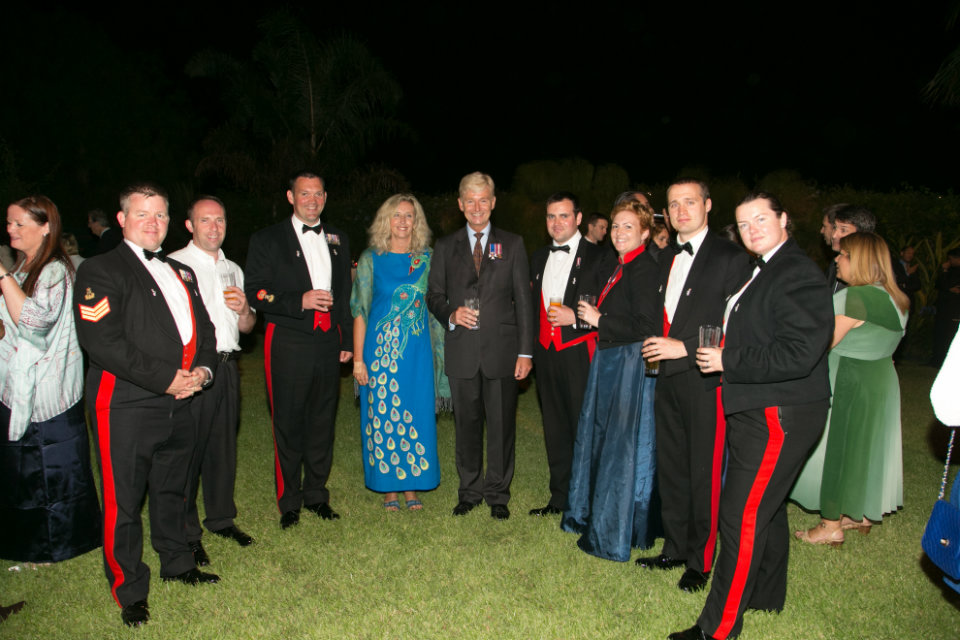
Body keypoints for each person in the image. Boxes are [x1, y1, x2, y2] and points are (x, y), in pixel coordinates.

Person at [672, 192, 833, 640]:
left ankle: (717, 629)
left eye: (761, 219)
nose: (752, 229)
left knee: (740, 515)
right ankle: (763, 592)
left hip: (779, 414)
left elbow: (800, 353)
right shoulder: (762, 271)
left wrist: (729, 360)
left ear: (783, 219)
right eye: (743, 224)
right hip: (756, 408)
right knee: (768, 507)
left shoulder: (796, 272)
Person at [75, 183, 220, 627]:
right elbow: (102, 342)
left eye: (159, 215)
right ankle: (129, 588)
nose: (152, 223)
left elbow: (208, 332)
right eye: (142, 214)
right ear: (122, 219)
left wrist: (204, 372)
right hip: (126, 404)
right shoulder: (100, 270)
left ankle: (177, 563)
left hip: (183, 399)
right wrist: (165, 379)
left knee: (173, 489)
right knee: (124, 500)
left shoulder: (182, 271)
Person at [637, 179, 750, 594]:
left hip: (706, 379)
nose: (681, 210)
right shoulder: (663, 256)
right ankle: (675, 546)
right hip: (665, 378)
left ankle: (701, 561)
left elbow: (738, 325)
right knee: (672, 467)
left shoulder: (731, 257)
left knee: (703, 471)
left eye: (689, 202)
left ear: (707, 205)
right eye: (673, 204)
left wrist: (681, 347)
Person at [244, 171, 353, 529]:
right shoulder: (268, 239)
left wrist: (347, 340)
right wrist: (299, 300)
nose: (311, 200)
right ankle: (289, 500)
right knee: (288, 421)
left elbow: (345, 295)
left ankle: (317, 494)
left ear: (325, 197)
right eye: (304, 194)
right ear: (291, 197)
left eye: (318, 194)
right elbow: (256, 292)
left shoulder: (338, 238)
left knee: (322, 420)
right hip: (288, 340)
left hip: (328, 342)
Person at [426, 171, 533, 520]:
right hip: (461, 351)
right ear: (460, 204)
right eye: (469, 200)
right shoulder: (445, 246)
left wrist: (525, 351)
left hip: (501, 351)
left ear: (493, 203)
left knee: (502, 428)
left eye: (483, 199)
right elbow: (434, 296)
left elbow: (524, 301)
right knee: (467, 426)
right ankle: (469, 491)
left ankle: (498, 494)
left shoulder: (513, 243)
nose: (476, 207)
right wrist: (452, 314)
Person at [0, 196, 101, 566]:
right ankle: (30, 545)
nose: (10, 229)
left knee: (53, 475)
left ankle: (57, 546)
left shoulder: (55, 270)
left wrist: (0, 275)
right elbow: (11, 323)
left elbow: (37, 322)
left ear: (46, 227)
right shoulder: (25, 265)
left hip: (49, 392)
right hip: (16, 387)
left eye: (18, 224)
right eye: (8, 223)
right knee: (23, 474)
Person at [791, 232, 908, 544]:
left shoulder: (853, 297)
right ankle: (860, 514)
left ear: (860, 261)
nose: (836, 259)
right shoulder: (898, 300)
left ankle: (830, 524)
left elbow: (822, 344)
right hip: (881, 380)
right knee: (865, 448)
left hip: (847, 379)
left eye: (843, 255)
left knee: (837, 450)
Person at [560, 200, 660, 561]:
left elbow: (649, 327)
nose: (618, 233)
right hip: (611, 359)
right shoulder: (620, 266)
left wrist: (601, 320)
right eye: (615, 226)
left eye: (628, 227)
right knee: (601, 439)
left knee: (621, 447)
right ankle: (590, 514)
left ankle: (614, 531)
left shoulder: (644, 268)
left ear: (645, 233)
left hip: (629, 364)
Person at [169, 196, 256, 566]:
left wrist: (246, 310)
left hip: (228, 367)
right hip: (193, 370)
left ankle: (221, 519)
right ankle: (187, 534)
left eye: (219, 220)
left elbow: (248, 327)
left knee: (223, 449)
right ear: (190, 225)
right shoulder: (174, 265)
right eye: (205, 221)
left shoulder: (234, 269)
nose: (214, 227)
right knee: (189, 453)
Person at [350, 194, 445, 511]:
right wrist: (359, 358)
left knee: (417, 412)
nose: (403, 221)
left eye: (410, 215)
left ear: (417, 222)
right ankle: (389, 489)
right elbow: (360, 310)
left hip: (418, 351)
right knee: (383, 414)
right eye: (397, 215)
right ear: (385, 220)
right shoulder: (370, 259)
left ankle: (412, 486)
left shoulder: (429, 258)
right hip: (381, 353)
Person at [528, 191, 602, 516]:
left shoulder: (600, 257)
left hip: (578, 352)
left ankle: (587, 502)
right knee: (555, 426)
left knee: (583, 426)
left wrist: (579, 319)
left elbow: (611, 307)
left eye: (564, 216)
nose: (556, 223)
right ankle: (559, 498)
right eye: (551, 217)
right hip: (546, 352)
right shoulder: (537, 256)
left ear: (578, 218)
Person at [827, 204, 875, 293]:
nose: (834, 235)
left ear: (861, 235)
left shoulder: (873, 272)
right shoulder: (835, 264)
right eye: (834, 227)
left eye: (843, 230)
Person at [932, 247, 960, 367]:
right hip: (944, 308)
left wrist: (948, 289)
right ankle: (937, 359)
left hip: (954, 309)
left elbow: (951, 287)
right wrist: (944, 271)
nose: (950, 261)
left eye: (951, 259)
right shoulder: (950, 270)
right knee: (940, 334)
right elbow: (939, 284)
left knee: (949, 335)